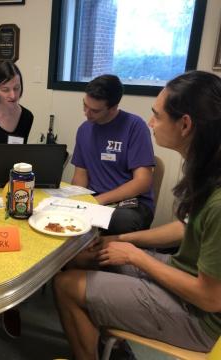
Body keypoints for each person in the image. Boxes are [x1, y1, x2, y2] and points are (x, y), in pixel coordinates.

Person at [54, 70, 221, 359]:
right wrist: (121, 240)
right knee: (84, 257)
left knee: (65, 286)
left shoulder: (218, 199)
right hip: (184, 273)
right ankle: (114, 346)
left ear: (185, 124)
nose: (150, 122)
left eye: (157, 115)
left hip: (200, 319)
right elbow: (183, 229)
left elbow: (209, 298)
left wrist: (135, 255)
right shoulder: (206, 171)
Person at [71, 74, 155, 235]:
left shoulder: (135, 126)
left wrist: (99, 200)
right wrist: (76, 201)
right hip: (95, 200)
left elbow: (143, 182)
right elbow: (80, 176)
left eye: (95, 110)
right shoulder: (84, 129)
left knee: (117, 221)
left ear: (113, 107)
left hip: (131, 204)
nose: (87, 113)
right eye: (85, 105)